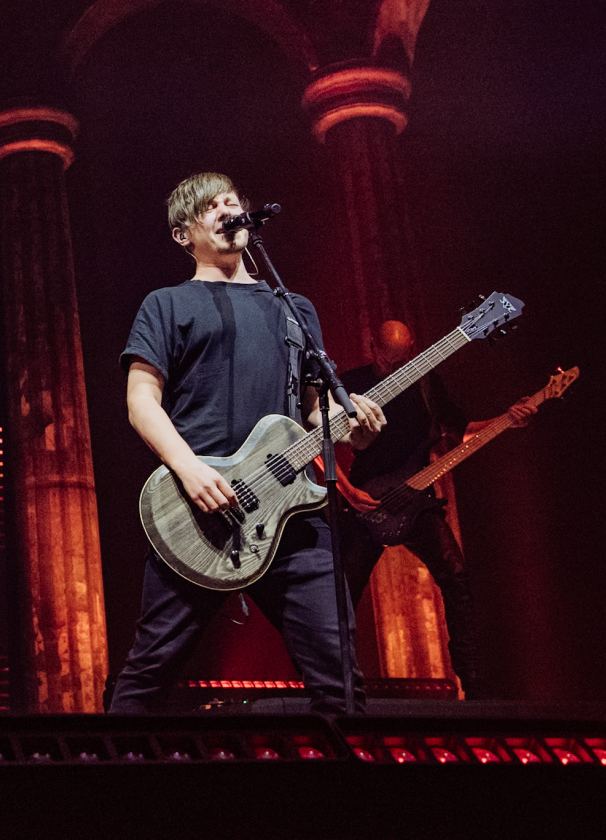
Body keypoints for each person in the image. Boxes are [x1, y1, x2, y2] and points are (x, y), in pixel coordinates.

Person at [108, 172, 386, 714]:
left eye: (233, 201)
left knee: (342, 681)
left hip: (291, 512)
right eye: (212, 205)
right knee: (148, 675)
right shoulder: (165, 305)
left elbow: (313, 411)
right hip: (199, 510)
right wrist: (188, 470)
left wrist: (352, 424)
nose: (228, 207)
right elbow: (141, 400)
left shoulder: (294, 307)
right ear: (182, 234)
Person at [333, 319, 535, 698]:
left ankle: (471, 683)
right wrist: (346, 490)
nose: (396, 370)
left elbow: (461, 432)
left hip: (417, 500)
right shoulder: (351, 384)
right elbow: (316, 442)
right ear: (372, 347)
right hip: (368, 502)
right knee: (340, 593)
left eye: (403, 360)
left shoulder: (426, 383)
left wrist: (508, 420)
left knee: (456, 574)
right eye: (389, 362)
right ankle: (339, 684)